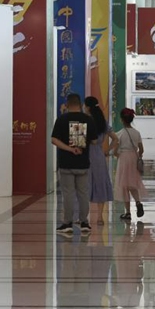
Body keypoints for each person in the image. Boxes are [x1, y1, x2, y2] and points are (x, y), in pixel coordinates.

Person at [51, 93, 98, 234]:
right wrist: (81, 143)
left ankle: (67, 224)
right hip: (83, 162)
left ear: (67, 104)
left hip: (66, 163)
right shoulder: (88, 120)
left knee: (68, 194)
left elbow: (54, 140)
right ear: (80, 104)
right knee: (83, 193)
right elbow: (95, 141)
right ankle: (84, 222)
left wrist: (70, 149)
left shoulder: (62, 119)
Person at [84, 97, 118, 225]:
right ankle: (99, 217)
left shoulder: (85, 121)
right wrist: (107, 151)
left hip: (85, 154)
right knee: (100, 184)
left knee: (84, 185)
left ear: (87, 107)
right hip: (98, 155)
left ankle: (83, 216)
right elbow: (115, 139)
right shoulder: (103, 122)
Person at [114, 108, 147, 220]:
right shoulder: (137, 133)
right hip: (134, 157)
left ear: (121, 120)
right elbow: (141, 149)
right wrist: (139, 157)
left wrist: (118, 155)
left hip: (123, 159)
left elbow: (115, 151)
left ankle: (128, 212)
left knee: (124, 185)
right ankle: (138, 203)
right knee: (133, 183)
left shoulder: (119, 134)